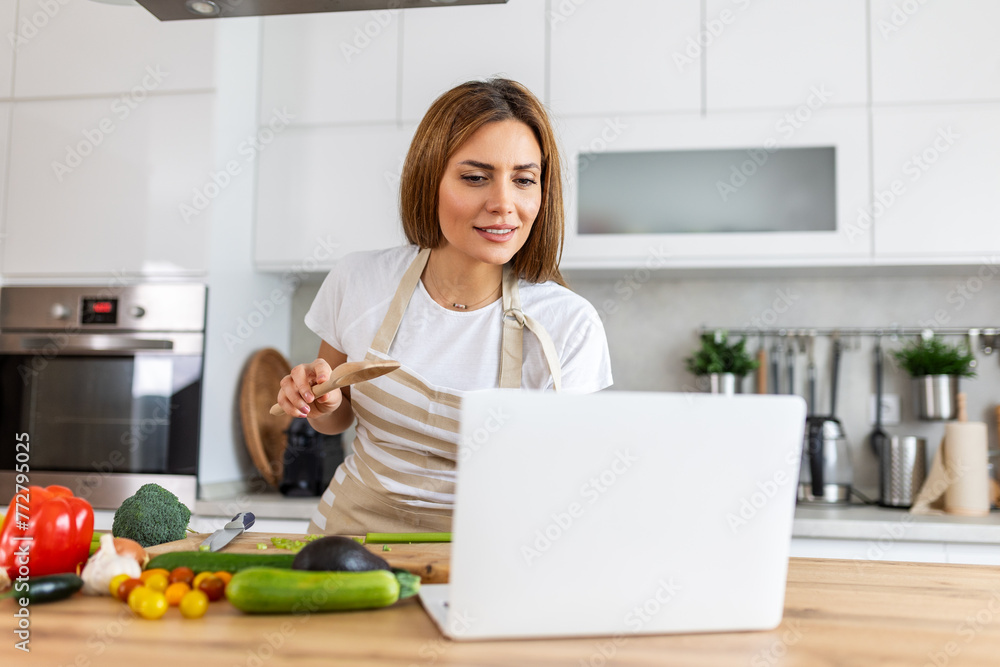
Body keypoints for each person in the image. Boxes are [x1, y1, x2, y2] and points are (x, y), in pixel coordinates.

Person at [274, 78, 613, 535]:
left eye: (524, 180)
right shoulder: (358, 280)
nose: (503, 204)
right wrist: (318, 400)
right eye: (475, 177)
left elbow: (569, 481)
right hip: (349, 542)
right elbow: (336, 418)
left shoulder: (568, 325)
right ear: (428, 178)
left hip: (488, 556)